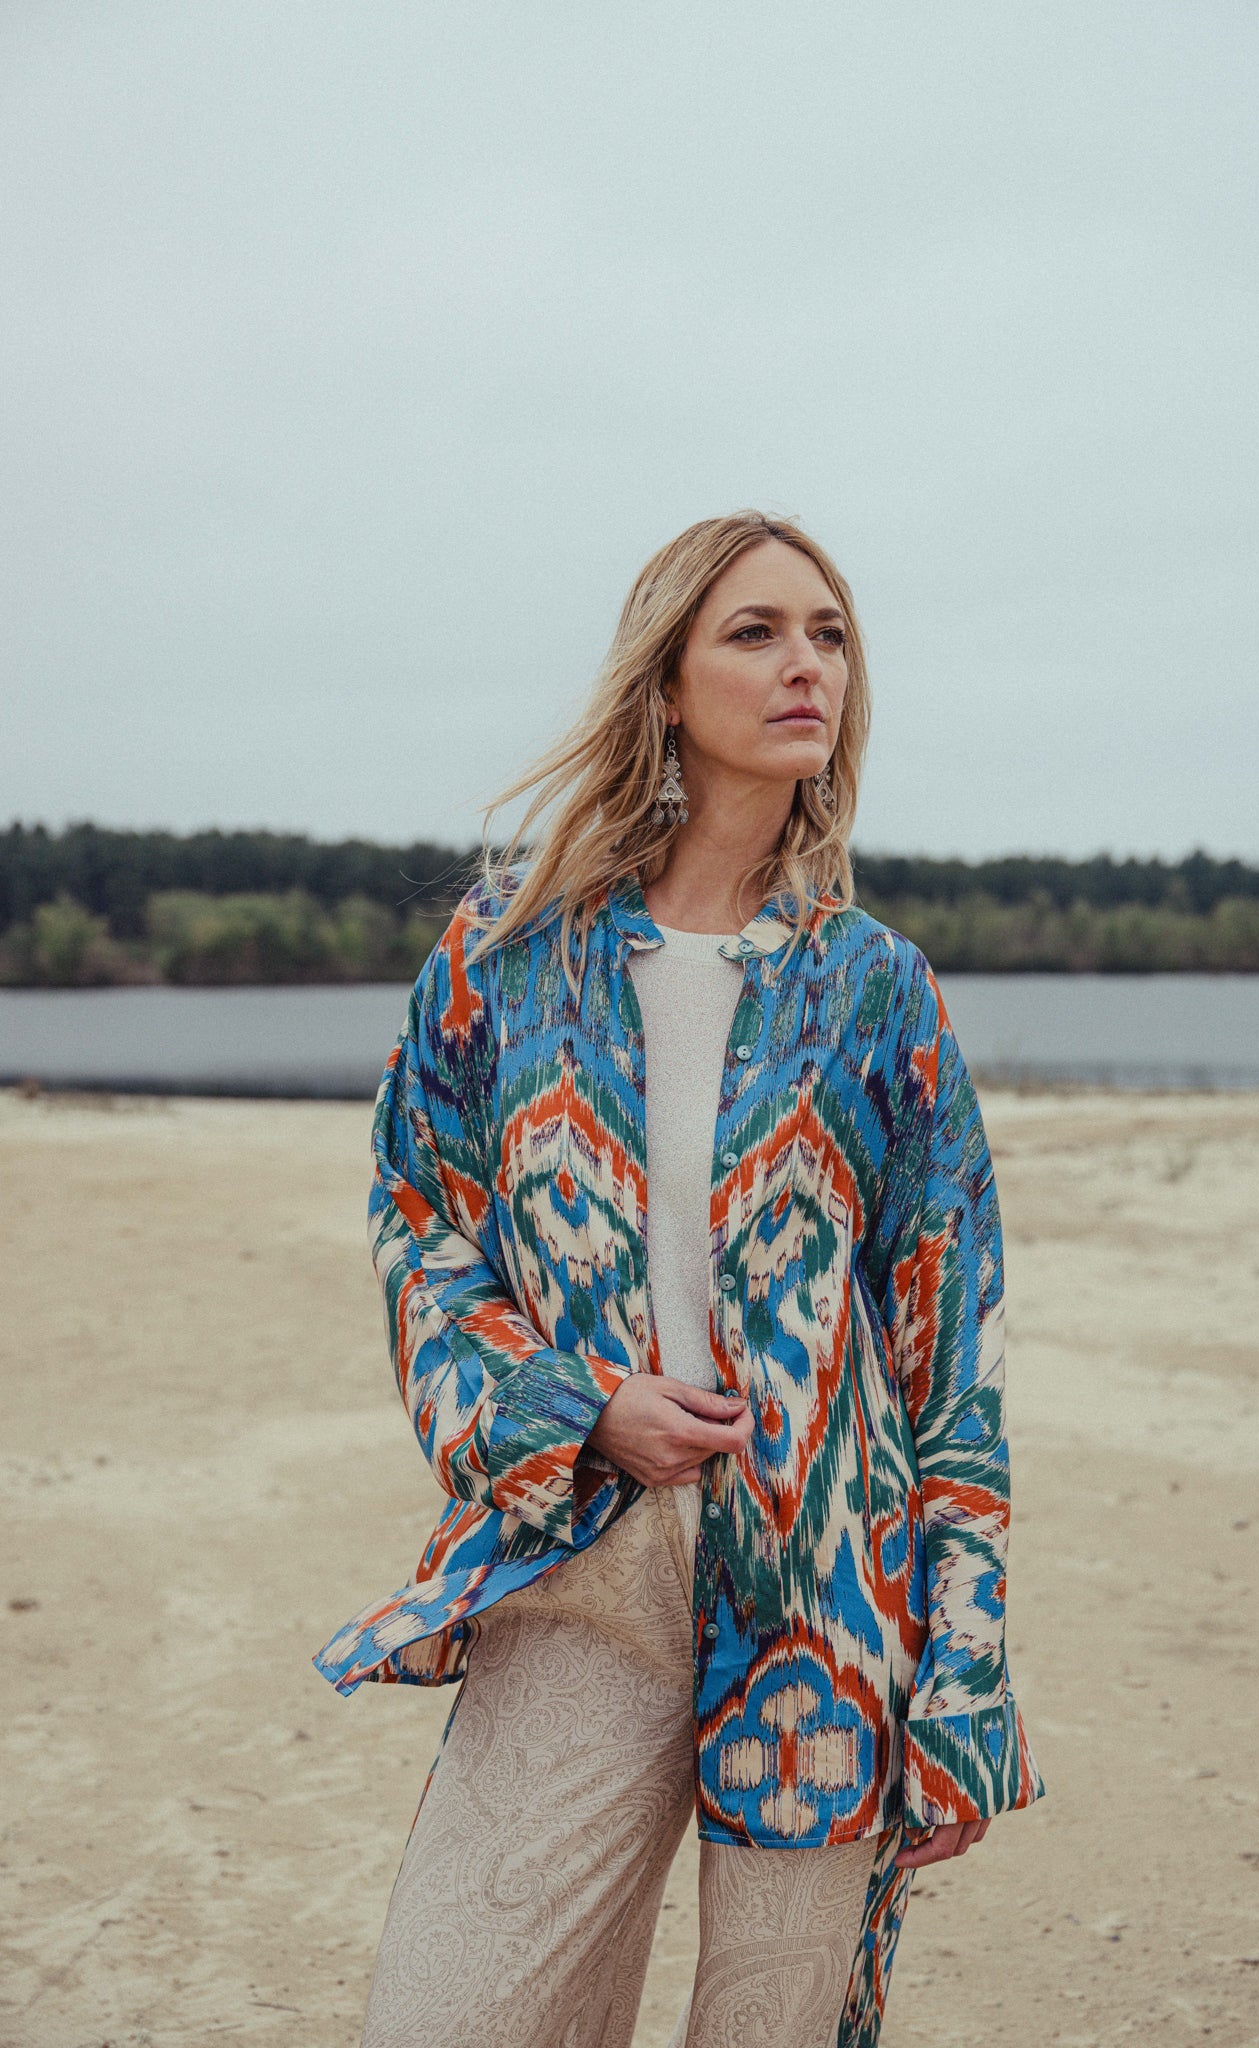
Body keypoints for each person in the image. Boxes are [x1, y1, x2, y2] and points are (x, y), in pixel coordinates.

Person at [314, 510, 1043, 2047]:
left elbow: (947, 1346)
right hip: (585, 1555)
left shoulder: (876, 991)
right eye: (757, 633)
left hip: (828, 1596)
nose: (805, 669)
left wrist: (963, 1661)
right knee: (452, 2011)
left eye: (829, 636)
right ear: (663, 684)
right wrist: (573, 1408)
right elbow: (419, 1231)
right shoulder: (502, 962)